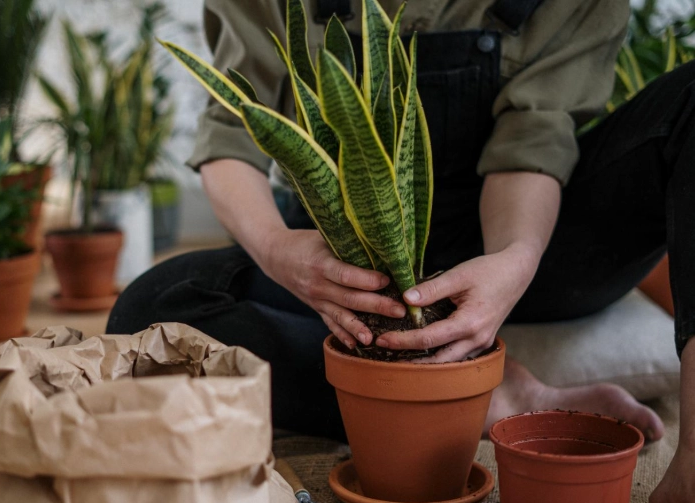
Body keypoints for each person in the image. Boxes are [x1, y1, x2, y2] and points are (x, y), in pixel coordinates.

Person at [108, 0, 695, 499]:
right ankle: (490, 391)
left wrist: (515, 259)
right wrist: (278, 250)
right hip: (350, 260)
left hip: (538, 241)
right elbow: (233, 131)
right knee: (153, 307)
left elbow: (532, 141)